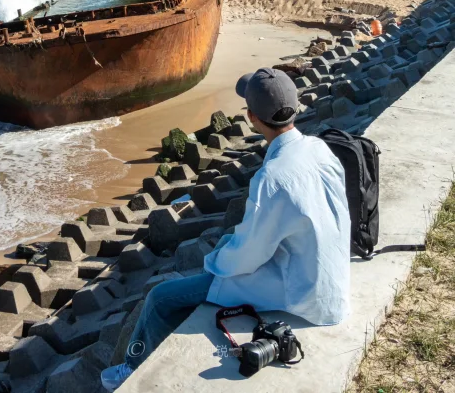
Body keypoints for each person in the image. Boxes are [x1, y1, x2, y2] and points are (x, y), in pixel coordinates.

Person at [101, 68, 351, 391]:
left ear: (251, 118)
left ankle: (131, 370)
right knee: (227, 248)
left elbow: (245, 258)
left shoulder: (272, 178)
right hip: (331, 283)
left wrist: (215, 260)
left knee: (160, 298)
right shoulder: (320, 149)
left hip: (304, 293)